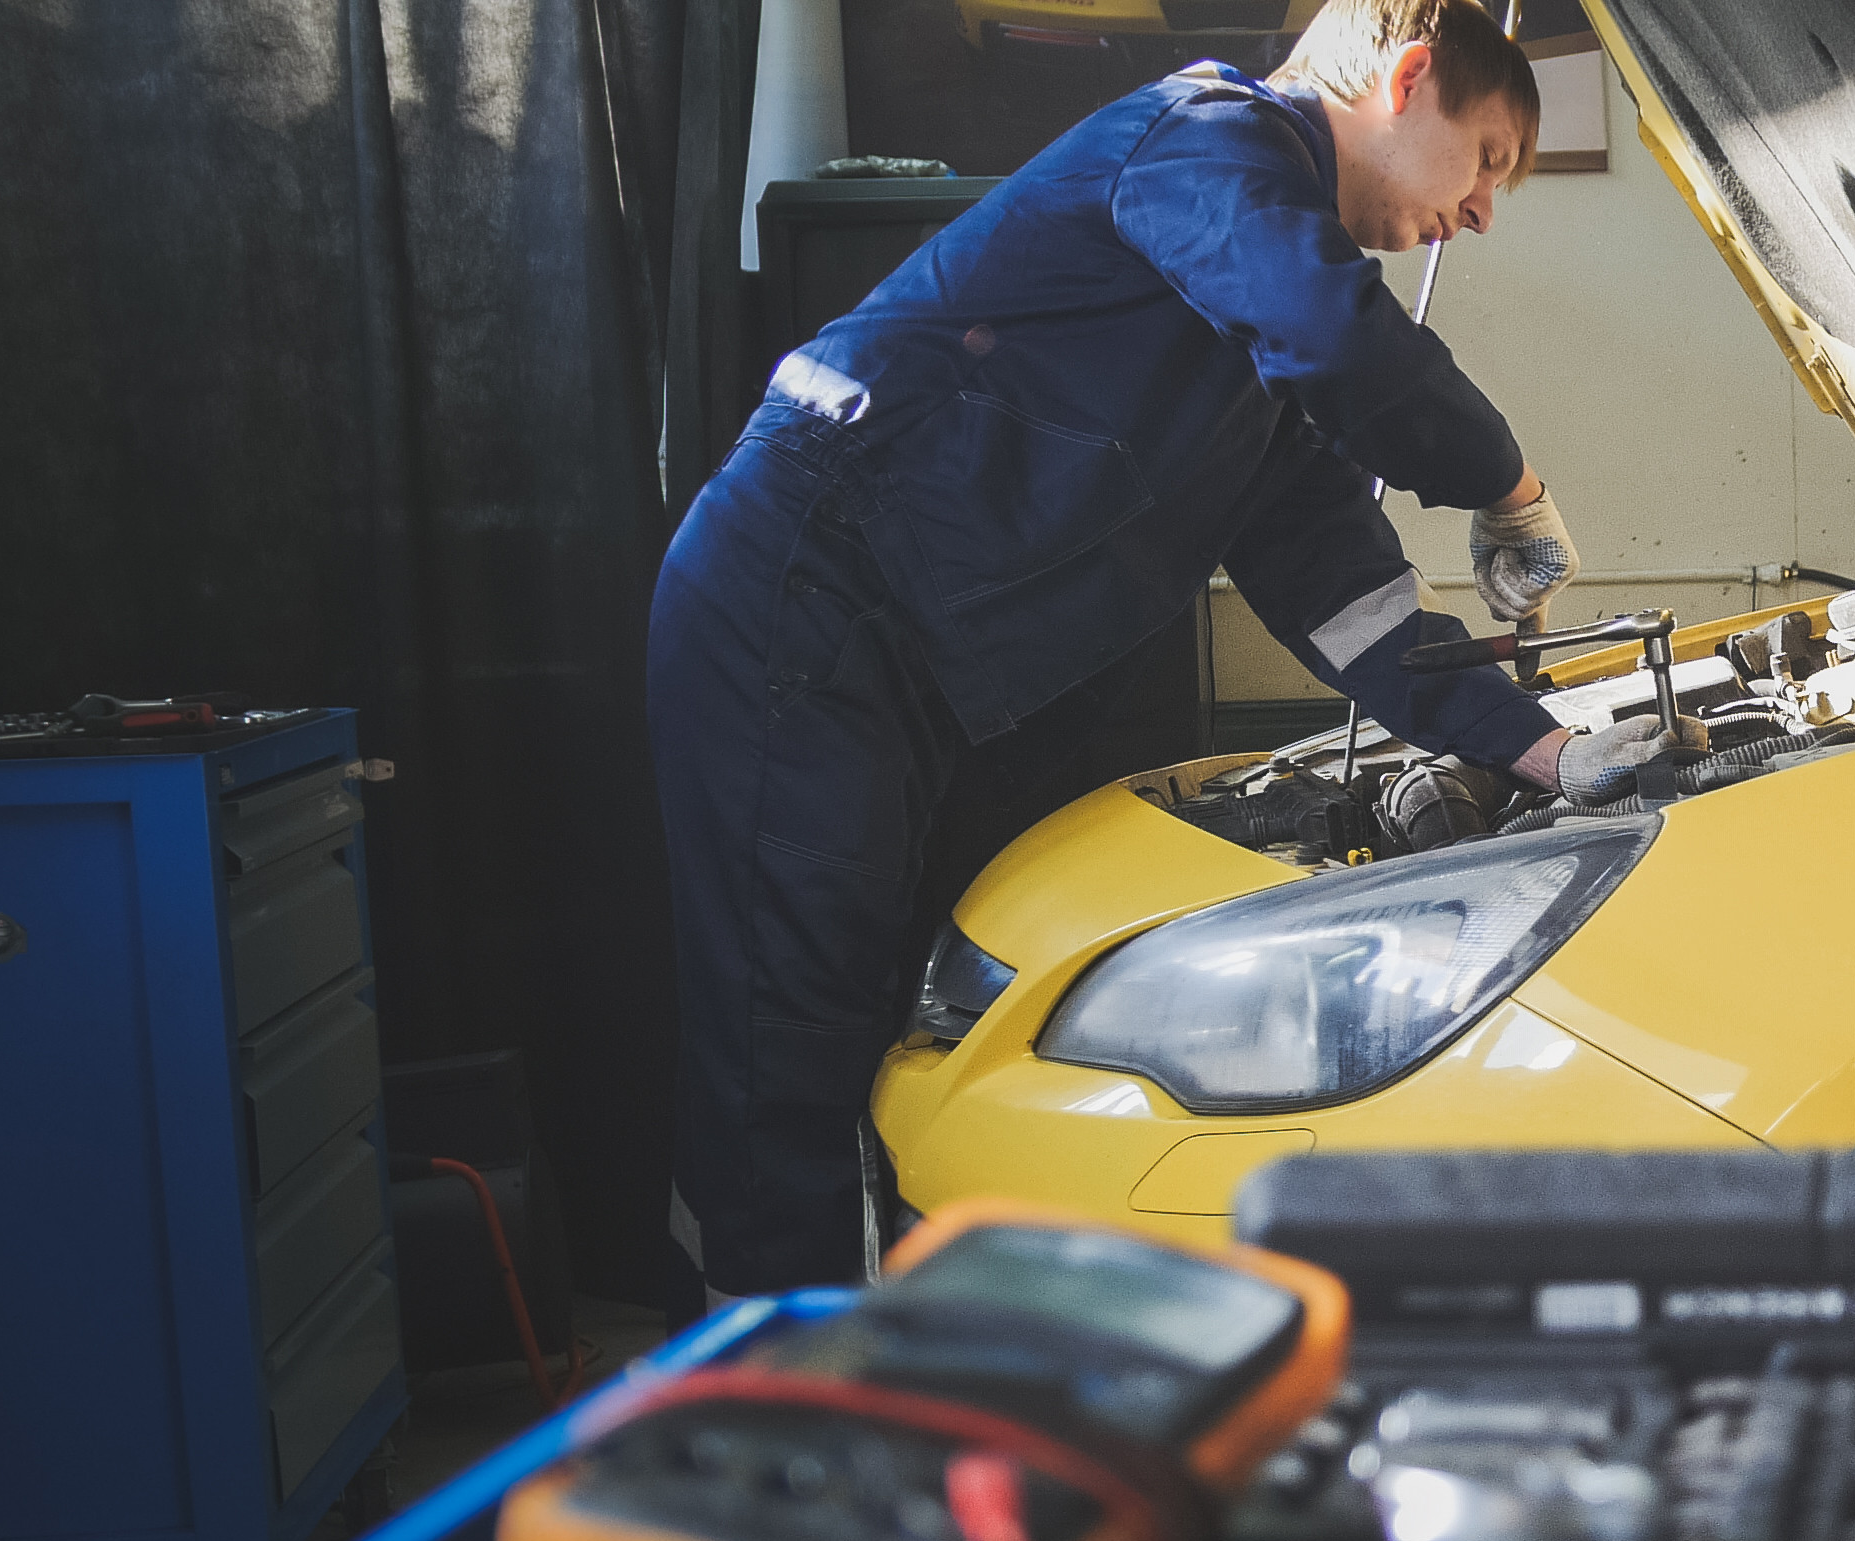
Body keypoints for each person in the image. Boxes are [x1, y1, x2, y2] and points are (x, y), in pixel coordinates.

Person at [647, 0, 1665, 1303]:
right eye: (1486, 162)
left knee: (878, 1027)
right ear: (1409, 79)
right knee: (785, 1037)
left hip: (907, 673)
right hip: (792, 610)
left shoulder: (1265, 334)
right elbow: (1345, 343)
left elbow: (1351, 605)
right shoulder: (1202, 140)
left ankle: (852, 1365)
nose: (1481, 213)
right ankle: (753, 1415)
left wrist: (1546, 748)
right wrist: (1507, 477)